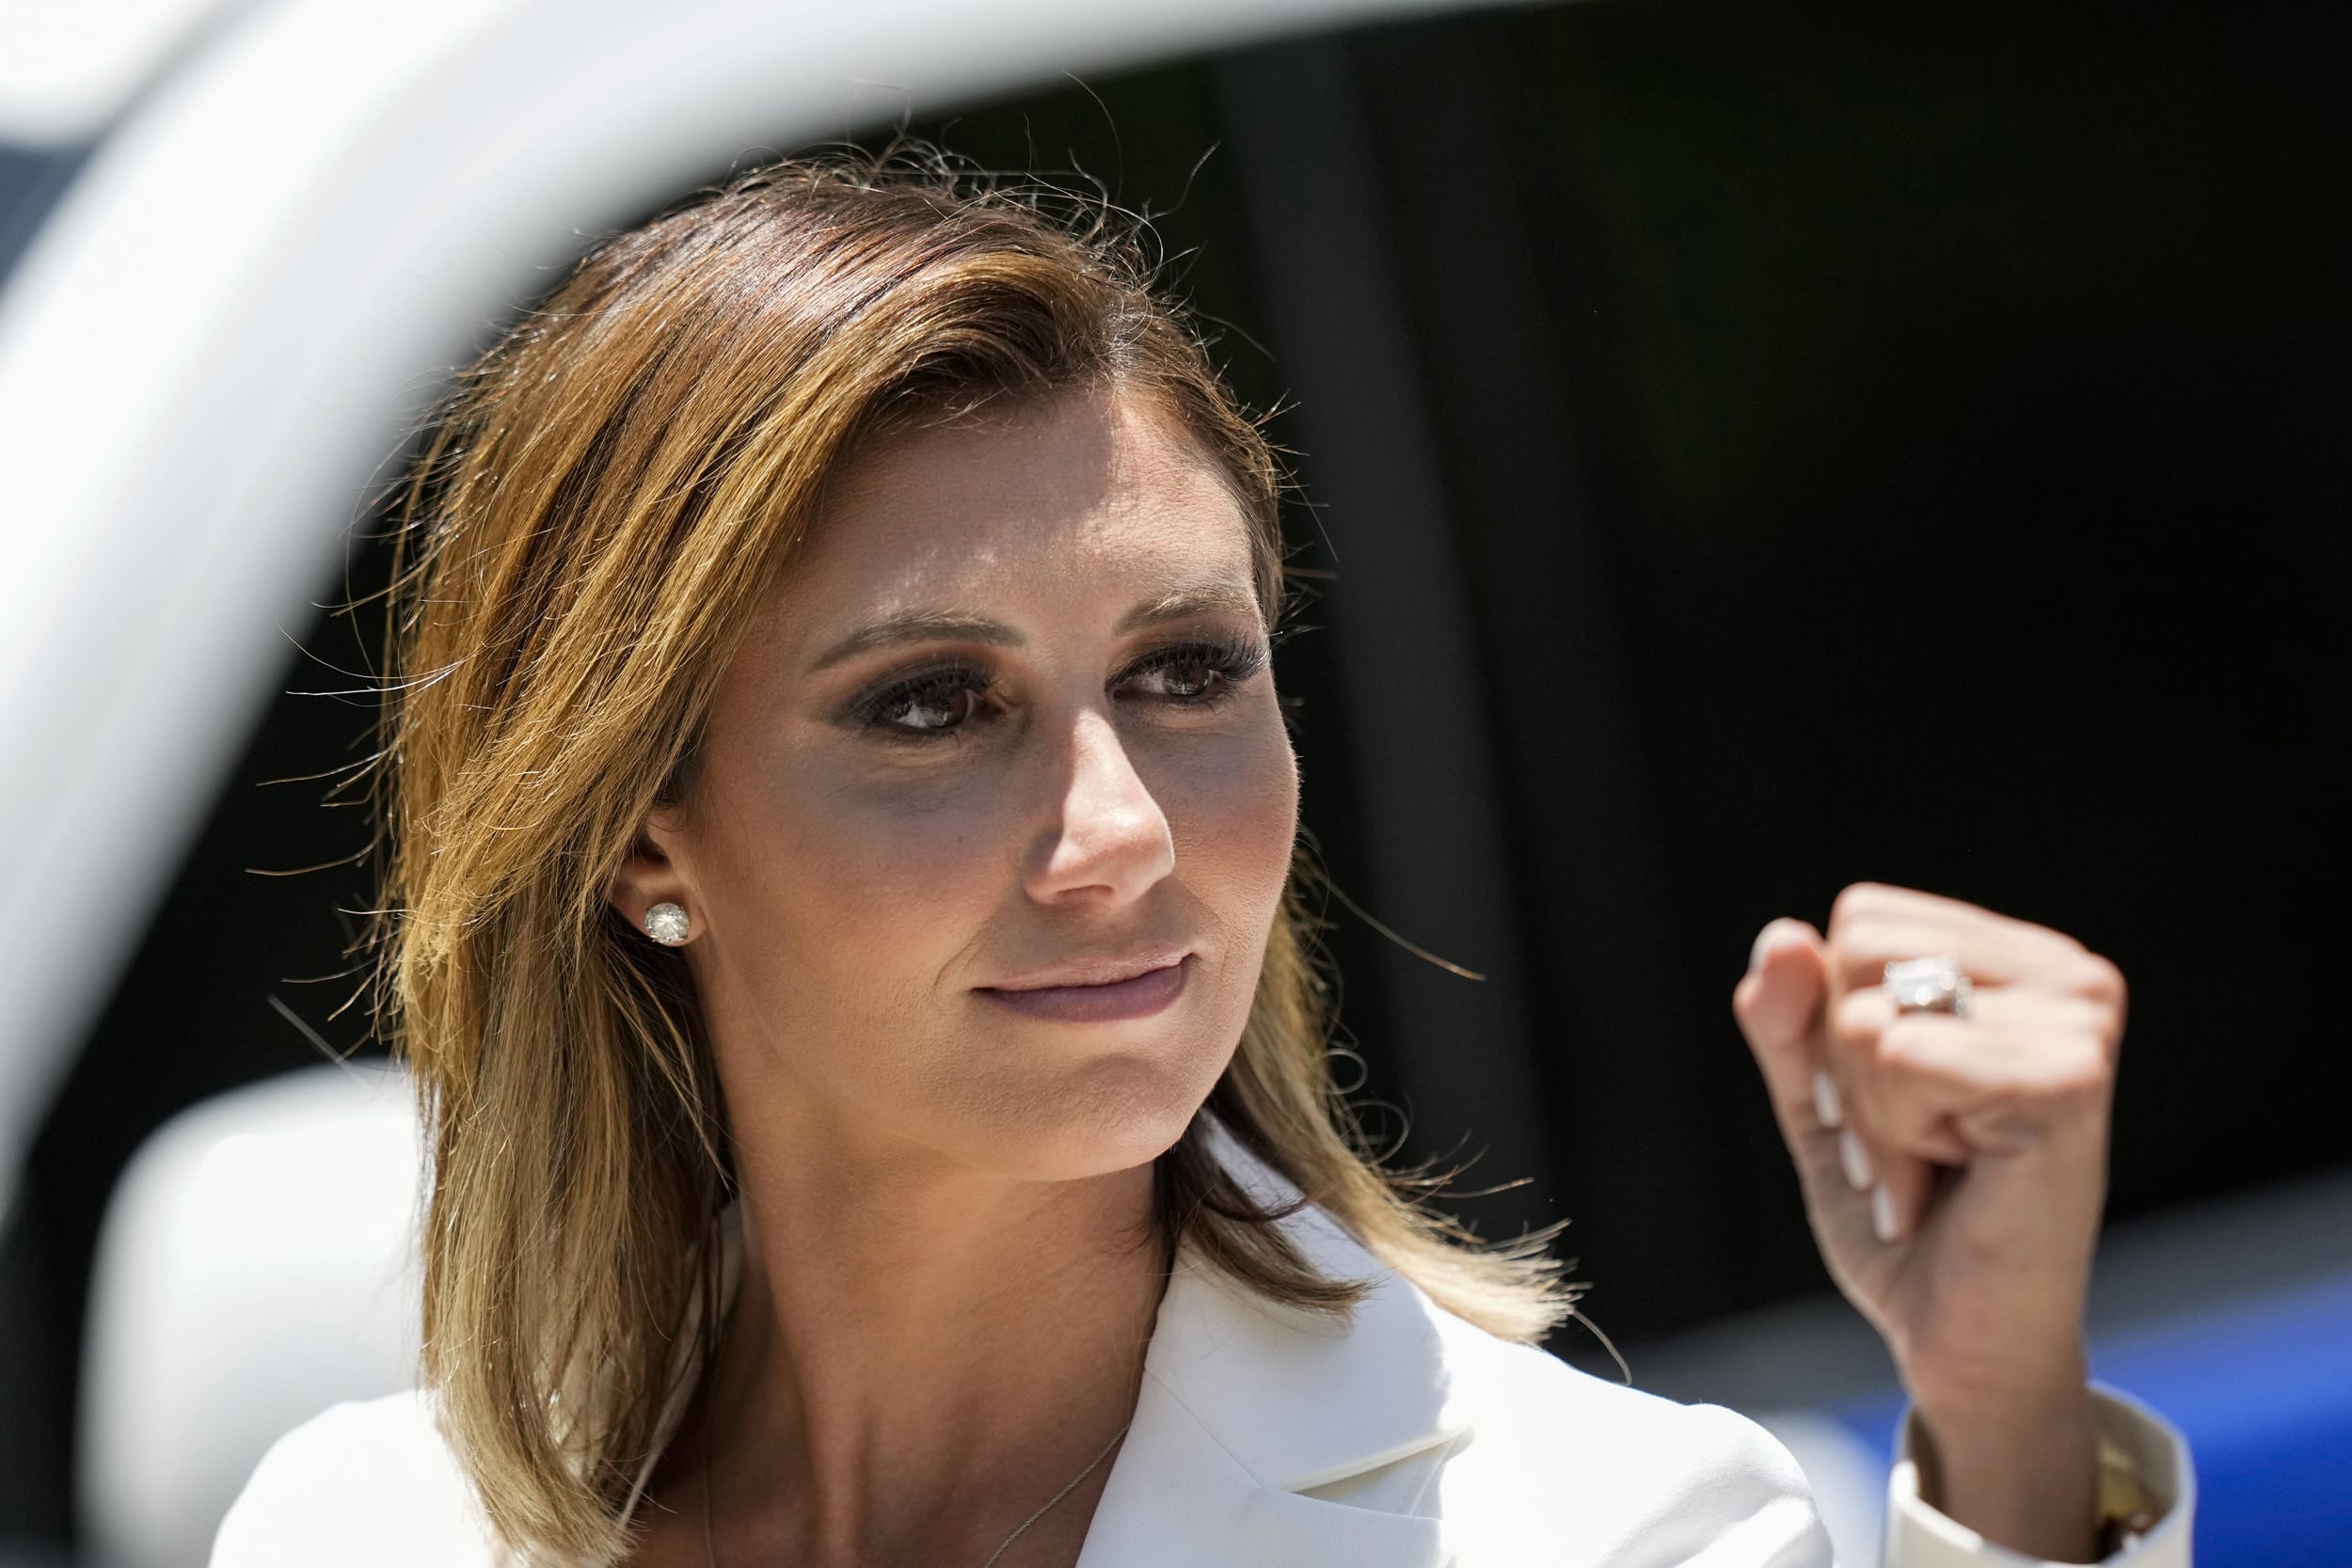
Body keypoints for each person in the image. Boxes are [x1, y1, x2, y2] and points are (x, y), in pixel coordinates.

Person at [211, 156, 2189, 1567]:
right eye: (932, 706)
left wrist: (2008, 1433)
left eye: (1183, 672)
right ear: (646, 833)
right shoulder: (350, 1529)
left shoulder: (1602, 1534)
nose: (1119, 833)